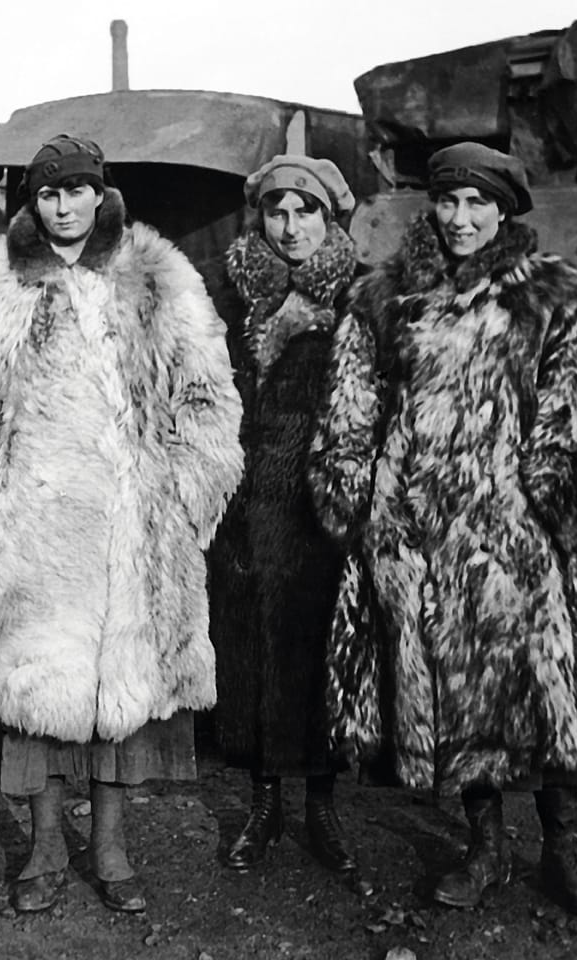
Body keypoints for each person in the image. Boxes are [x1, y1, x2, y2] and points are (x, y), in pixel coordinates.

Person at [309, 142, 577, 918]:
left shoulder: (557, 296)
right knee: (459, 694)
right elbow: (350, 408)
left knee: (550, 685)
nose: (460, 219)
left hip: (521, 542)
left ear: (504, 211)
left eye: (476, 204)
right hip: (423, 536)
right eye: (448, 202)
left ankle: (564, 849)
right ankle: (484, 847)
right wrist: (358, 501)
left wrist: (550, 516)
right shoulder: (385, 298)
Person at [0, 135, 243, 914]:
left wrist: (185, 499)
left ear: (102, 195)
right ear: (31, 202)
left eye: (77, 190)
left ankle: (110, 847)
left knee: (120, 697)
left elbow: (206, 393)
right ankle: (41, 850)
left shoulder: (158, 276)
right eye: (48, 193)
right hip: (30, 532)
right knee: (37, 697)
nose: (63, 206)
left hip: (130, 531)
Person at [206, 156, 359, 874]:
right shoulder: (226, 298)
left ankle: (322, 807)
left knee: (322, 649)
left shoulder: (362, 297)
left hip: (320, 505)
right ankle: (263, 804)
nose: (291, 227)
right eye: (278, 211)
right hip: (242, 506)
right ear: (259, 218)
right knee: (252, 651)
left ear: (332, 220)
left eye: (307, 211)